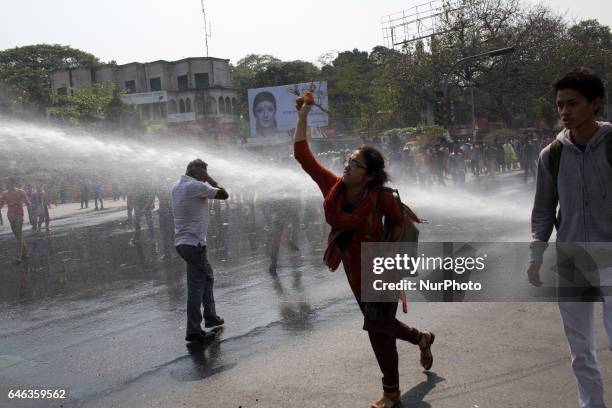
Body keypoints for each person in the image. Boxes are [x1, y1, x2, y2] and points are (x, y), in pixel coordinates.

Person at [293, 96, 435, 408]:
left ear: (369, 174)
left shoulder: (381, 197)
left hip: (381, 269)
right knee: (379, 325)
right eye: (348, 161)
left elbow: (399, 225)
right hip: (354, 271)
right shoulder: (334, 189)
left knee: (377, 330)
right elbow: (303, 156)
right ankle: (422, 338)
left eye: (354, 164)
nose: (347, 165)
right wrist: (303, 114)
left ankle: (392, 391)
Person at [528, 69, 612, 408]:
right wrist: (536, 256)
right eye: (560, 104)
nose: (564, 111)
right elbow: (543, 210)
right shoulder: (552, 154)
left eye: (572, 104)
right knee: (579, 349)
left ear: (595, 104)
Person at [172, 159, 229, 343]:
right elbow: (224, 194)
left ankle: (211, 317)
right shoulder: (193, 185)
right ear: (197, 172)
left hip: (184, 243)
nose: (204, 180)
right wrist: (210, 179)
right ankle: (194, 330)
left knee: (207, 277)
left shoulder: (178, 185)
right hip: (193, 244)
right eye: (203, 174)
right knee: (196, 287)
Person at [0, 177, 30, 262]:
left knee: (19, 234)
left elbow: (27, 202)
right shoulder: (5, 193)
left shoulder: (21, 192)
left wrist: (30, 205)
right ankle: (25, 252)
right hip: (10, 216)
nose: (6, 184)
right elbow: (0, 205)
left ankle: (18, 257)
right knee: (17, 235)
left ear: (13, 183)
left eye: (8, 182)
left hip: (19, 214)